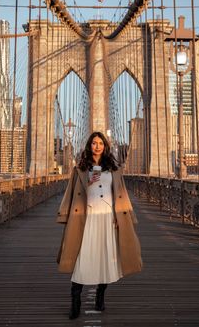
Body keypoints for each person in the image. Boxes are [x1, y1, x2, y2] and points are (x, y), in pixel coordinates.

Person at [56, 131, 142, 320]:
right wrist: (87, 182)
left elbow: (122, 194)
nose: (97, 146)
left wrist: (122, 218)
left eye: (101, 143)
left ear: (105, 146)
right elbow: (71, 193)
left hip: (108, 218)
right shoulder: (80, 168)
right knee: (83, 257)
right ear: (90, 145)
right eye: (94, 143)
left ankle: (100, 297)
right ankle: (75, 300)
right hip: (87, 218)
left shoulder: (114, 168)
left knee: (106, 257)